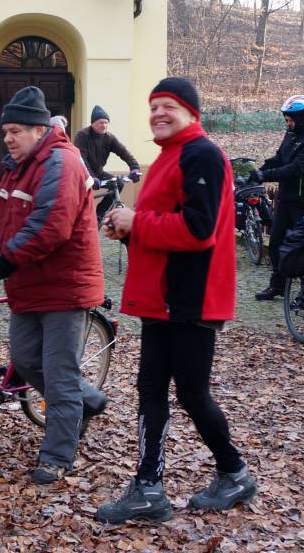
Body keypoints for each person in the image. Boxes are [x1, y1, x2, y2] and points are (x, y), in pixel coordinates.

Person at [96, 77, 256, 524]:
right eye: (153, 107)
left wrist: (137, 222)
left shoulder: (201, 153)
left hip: (189, 296)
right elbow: (162, 225)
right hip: (162, 297)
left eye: (168, 105)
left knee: (191, 393)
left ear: (191, 112)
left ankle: (234, 473)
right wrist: (128, 231)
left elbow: (199, 230)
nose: (158, 113)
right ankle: (149, 488)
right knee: (153, 389)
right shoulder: (169, 156)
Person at [0, 86, 108, 485]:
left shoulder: (62, 163)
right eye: (5, 131)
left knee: (58, 375)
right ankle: (89, 399)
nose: (8, 138)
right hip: (29, 283)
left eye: (15, 131)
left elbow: (50, 227)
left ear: (39, 129)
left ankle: (57, 456)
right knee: (26, 361)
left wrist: (4, 261)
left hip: (64, 287)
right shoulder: (17, 166)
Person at [250, 94, 304, 301]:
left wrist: (265, 176)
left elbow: (295, 169)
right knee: (276, 244)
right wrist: (258, 171)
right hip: (286, 198)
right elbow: (280, 158)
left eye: (290, 120)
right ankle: (278, 285)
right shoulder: (293, 134)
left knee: (303, 248)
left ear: (302, 118)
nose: (288, 123)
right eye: (286, 120)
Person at [74, 105, 141, 222]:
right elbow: (81, 159)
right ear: (93, 123)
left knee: (118, 184)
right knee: (81, 199)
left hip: (98, 173)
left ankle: (100, 213)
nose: (104, 125)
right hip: (81, 174)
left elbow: (124, 152)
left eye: (106, 122)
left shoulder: (109, 137)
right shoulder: (82, 135)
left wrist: (134, 167)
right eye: (101, 122)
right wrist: (91, 177)